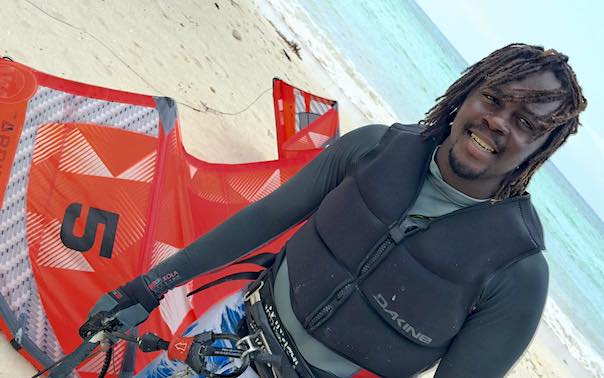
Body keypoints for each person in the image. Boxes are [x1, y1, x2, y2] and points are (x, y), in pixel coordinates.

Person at [81, 43, 587, 377]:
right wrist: (146, 289)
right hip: (228, 331)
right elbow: (259, 221)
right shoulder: (372, 150)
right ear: (466, 96)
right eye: (493, 99)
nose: (499, 122)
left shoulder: (517, 272)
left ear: (541, 148)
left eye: (525, 122)